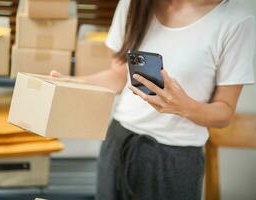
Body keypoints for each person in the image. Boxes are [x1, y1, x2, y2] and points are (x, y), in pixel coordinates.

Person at [50, 0, 255, 199]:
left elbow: (225, 112)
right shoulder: (133, 4)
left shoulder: (237, 19)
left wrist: (184, 107)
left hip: (173, 159)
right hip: (119, 142)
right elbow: (119, 76)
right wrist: (72, 83)